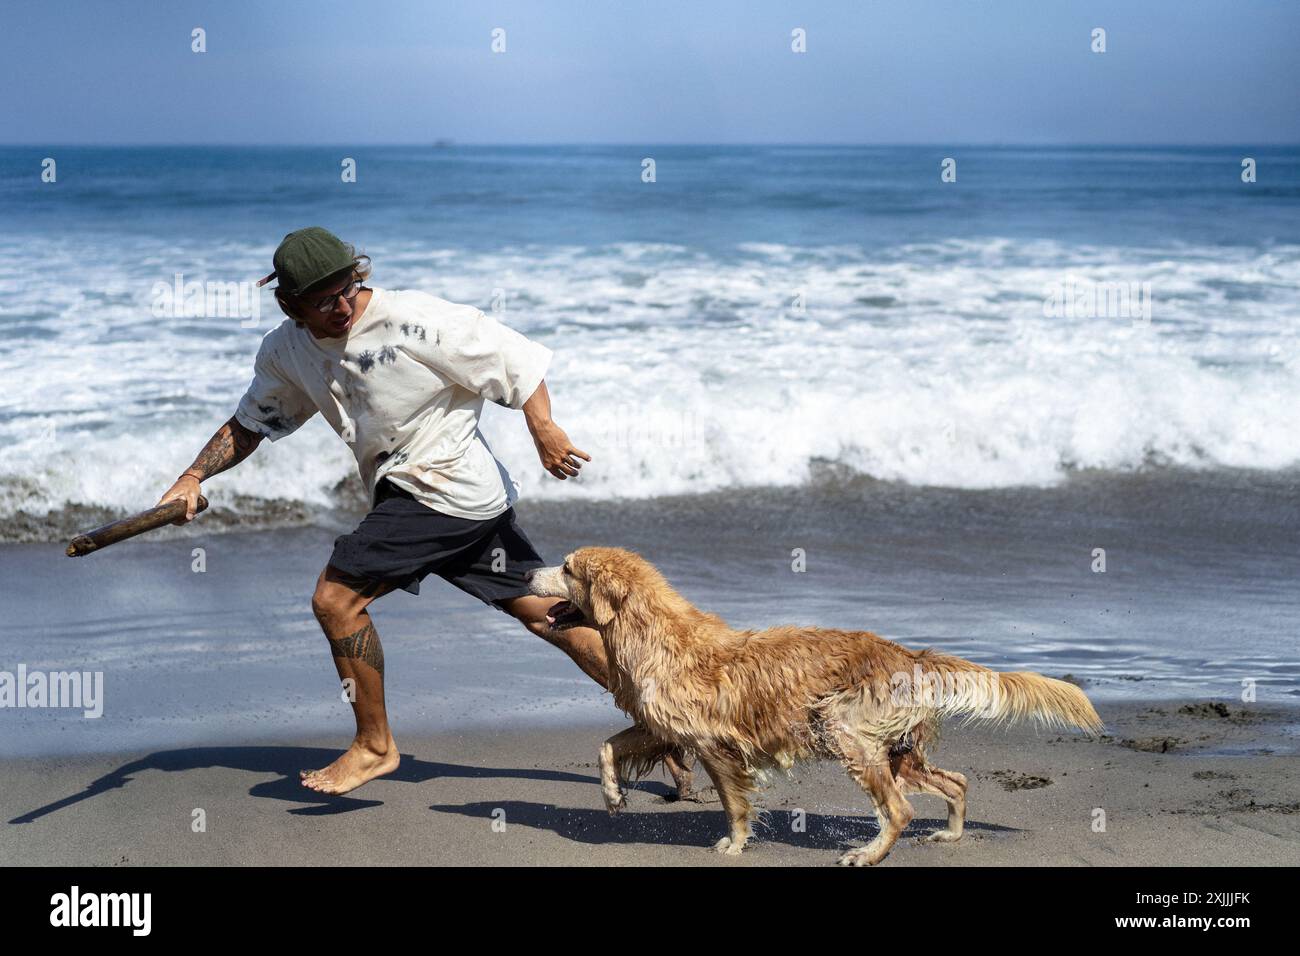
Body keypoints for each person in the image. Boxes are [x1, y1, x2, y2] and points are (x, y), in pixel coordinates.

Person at [156, 226, 692, 796]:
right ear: (288, 303)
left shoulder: (414, 319)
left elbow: (517, 361)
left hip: (442, 492)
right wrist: (192, 476)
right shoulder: (287, 350)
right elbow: (252, 423)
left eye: (347, 289)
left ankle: (373, 746)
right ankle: (673, 724)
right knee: (548, 614)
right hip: (459, 502)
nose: (341, 307)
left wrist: (542, 426)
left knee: (337, 600)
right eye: (321, 300)